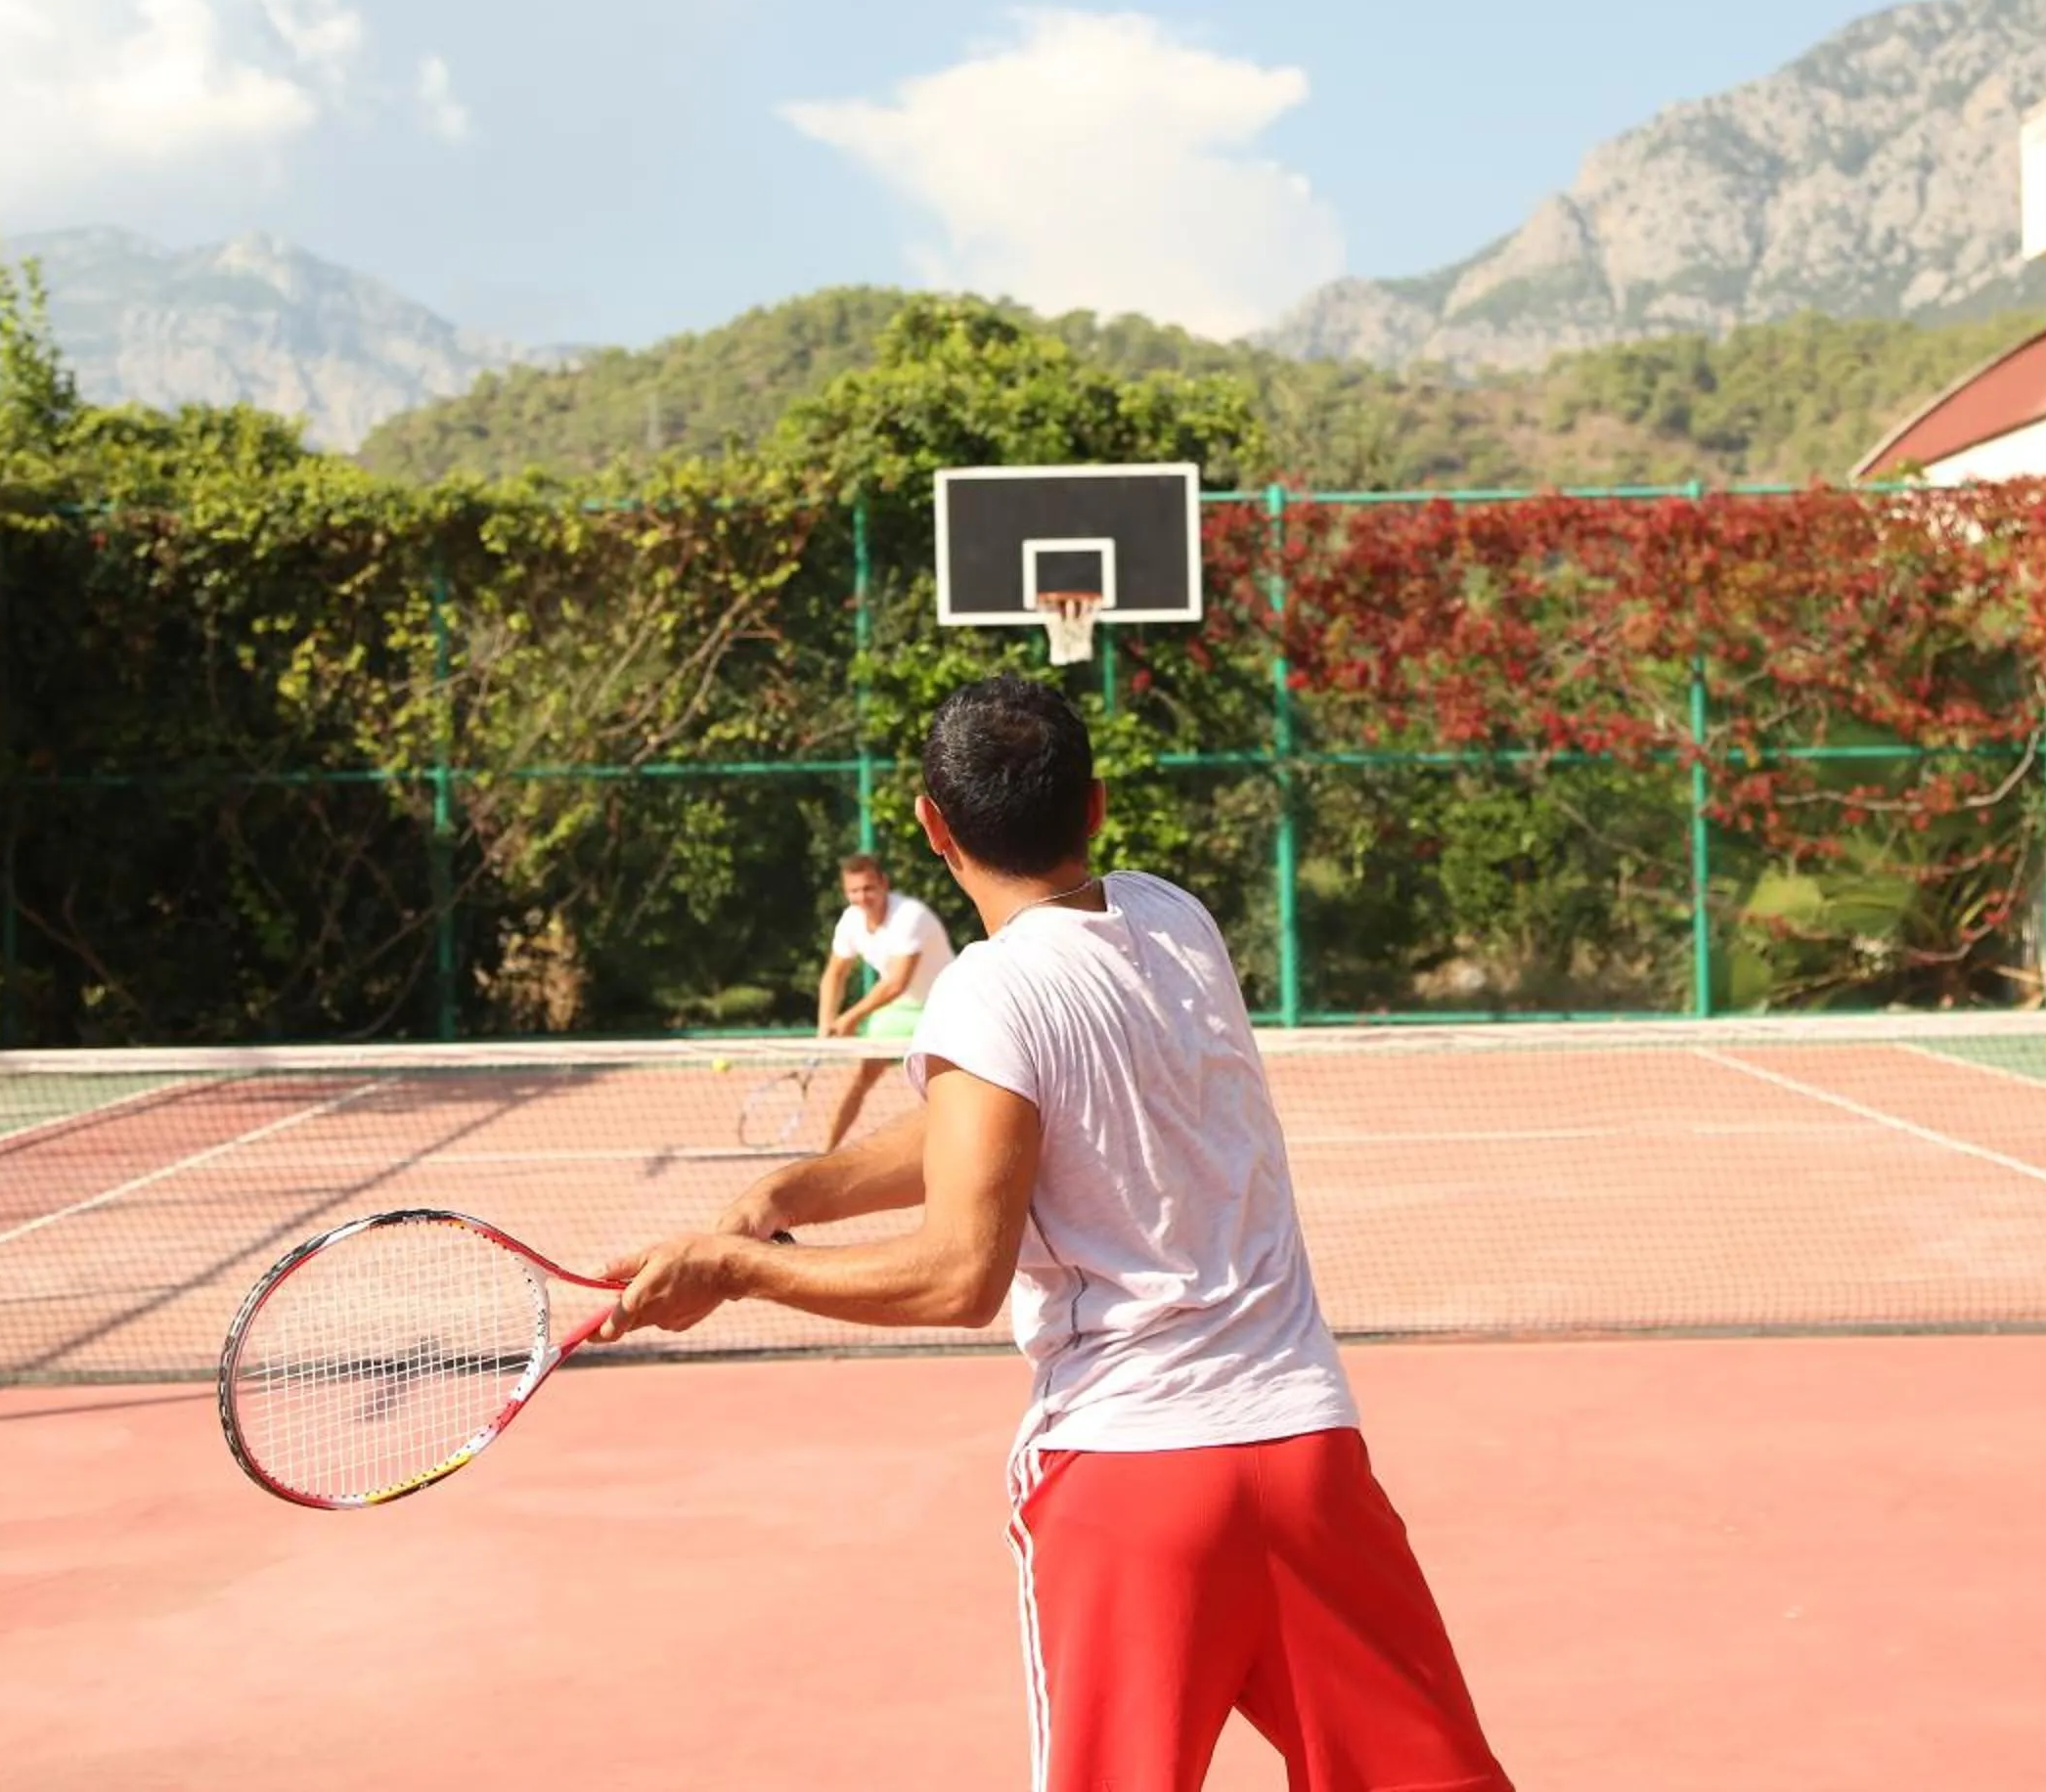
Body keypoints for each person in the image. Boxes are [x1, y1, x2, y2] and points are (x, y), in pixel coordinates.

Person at [600, 675, 1512, 1792]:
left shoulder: (990, 991)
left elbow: (958, 1275)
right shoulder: (1175, 919)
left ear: (933, 828)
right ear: (1095, 805)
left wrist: (736, 1269)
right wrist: (785, 1196)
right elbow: (997, 1126)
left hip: (1130, 1476)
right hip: (1308, 1455)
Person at [814, 852, 956, 1152]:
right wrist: (825, 1022)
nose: (862, 897)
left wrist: (849, 1018)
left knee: (939, 1086)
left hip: (944, 1006)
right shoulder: (851, 920)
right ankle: (825, 1153)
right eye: (854, 891)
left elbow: (896, 983)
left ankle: (939, 1153)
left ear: (884, 884)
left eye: (868, 888)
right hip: (899, 1010)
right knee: (859, 1077)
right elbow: (835, 973)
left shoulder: (911, 916)